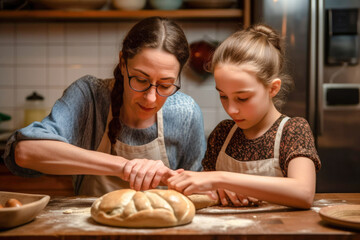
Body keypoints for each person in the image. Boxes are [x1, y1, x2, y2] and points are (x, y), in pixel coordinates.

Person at [3, 17, 206, 197]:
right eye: (141, 79)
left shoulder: (185, 113)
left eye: (165, 85)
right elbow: (24, 152)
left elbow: (197, 193)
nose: (151, 98)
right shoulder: (90, 96)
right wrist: (125, 167)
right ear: (122, 63)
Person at [168, 24, 321, 209]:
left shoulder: (293, 131)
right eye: (223, 96)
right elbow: (207, 192)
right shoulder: (223, 134)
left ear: (273, 88)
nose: (231, 109)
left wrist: (220, 178)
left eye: (242, 98)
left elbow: (303, 193)